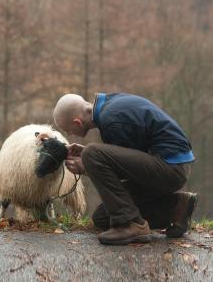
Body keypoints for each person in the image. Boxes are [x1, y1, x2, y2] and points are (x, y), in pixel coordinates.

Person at [53, 92, 197, 245]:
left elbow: (127, 174)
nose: (68, 134)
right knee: (102, 218)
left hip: (171, 168)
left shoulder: (112, 120)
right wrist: (90, 159)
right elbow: (129, 162)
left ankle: (132, 225)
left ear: (77, 122)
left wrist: (87, 165)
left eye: (66, 129)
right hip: (168, 165)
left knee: (92, 153)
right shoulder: (110, 107)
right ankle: (176, 207)